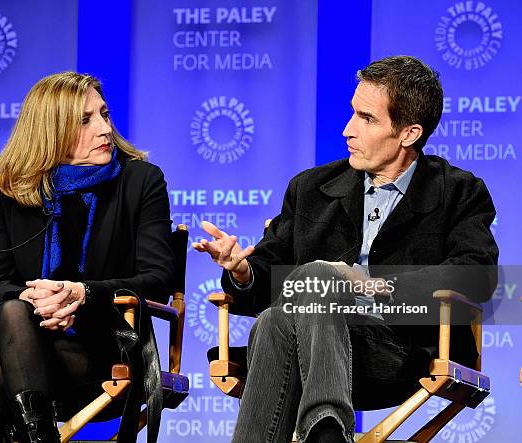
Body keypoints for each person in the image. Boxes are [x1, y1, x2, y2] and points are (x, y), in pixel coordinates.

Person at [193, 55, 498, 443]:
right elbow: (266, 280)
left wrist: (370, 283)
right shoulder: (310, 189)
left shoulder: (458, 193)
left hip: (400, 351)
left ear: (408, 133)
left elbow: (477, 278)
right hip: (305, 346)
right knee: (275, 319)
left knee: (314, 281)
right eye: (353, 113)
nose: (347, 130)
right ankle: (326, 431)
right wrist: (242, 271)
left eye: (367, 119)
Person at [0, 72, 175, 443]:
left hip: (103, 350)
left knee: (3, 363)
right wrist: (39, 302)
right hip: (20, 338)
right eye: (85, 120)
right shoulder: (10, 193)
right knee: (13, 310)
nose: (104, 129)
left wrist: (81, 293)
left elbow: (158, 279)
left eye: (104, 114)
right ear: (50, 131)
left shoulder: (141, 181)